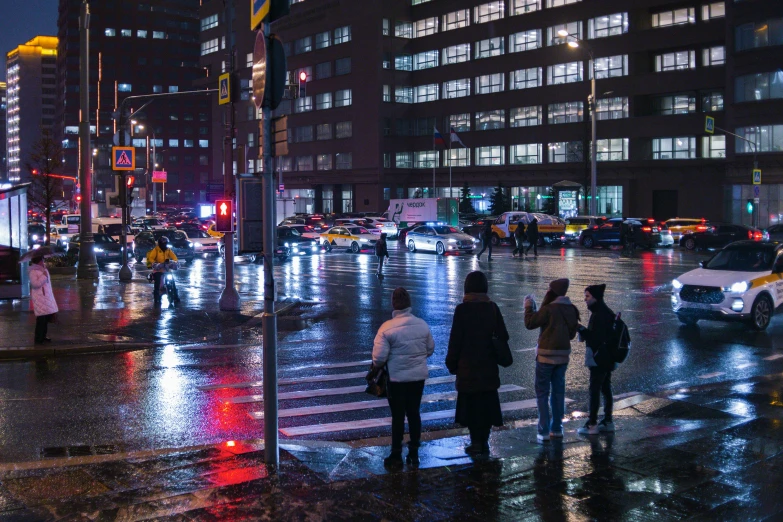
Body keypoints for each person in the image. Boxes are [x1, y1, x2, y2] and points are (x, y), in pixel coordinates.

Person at [446, 271, 509, 454]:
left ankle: (475, 443)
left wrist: (452, 363)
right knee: (487, 405)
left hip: (468, 369)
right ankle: (484, 442)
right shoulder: (492, 308)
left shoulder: (462, 310)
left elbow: (455, 340)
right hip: (488, 367)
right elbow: (503, 336)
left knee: (472, 408)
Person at [372, 287, 435, 468]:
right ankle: (414, 452)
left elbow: (379, 359)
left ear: (394, 305)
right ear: (409, 304)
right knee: (414, 413)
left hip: (396, 380)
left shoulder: (386, 328)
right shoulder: (422, 325)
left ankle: (396, 453)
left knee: (398, 415)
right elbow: (429, 349)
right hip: (417, 378)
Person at [524, 278, 580, 443]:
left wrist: (529, 306)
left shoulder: (549, 309)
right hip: (563, 357)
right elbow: (571, 334)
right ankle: (557, 428)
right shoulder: (572, 309)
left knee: (542, 393)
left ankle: (544, 430)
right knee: (558, 392)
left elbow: (530, 323)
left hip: (545, 356)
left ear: (552, 291)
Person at [577, 284, 617, 435]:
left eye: (587, 296)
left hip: (600, 358)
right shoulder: (605, 312)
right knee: (605, 388)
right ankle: (607, 420)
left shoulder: (599, 315)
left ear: (596, 298)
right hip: (608, 358)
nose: (585, 299)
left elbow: (595, 339)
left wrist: (580, 328)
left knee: (595, 389)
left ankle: (592, 423)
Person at [28, 256, 58, 344]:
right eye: (42, 260)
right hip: (40, 298)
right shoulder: (33, 271)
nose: (43, 261)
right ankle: (38, 339)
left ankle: (43, 336)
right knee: (41, 320)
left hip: (46, 297)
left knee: (45, 319)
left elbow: (48, 285)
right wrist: (44, 276)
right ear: (38, 261)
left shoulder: (43, 270)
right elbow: (35, 284)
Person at [146, 236, 178, 303]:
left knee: (173, 282)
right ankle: (156, 297)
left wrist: (175, 261)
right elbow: (151, 258)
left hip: (167, 269)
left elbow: (174, 256)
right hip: (158, 269)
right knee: (157, 282)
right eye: (163, 244)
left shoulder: (168, 250)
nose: (164, 245)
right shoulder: (156, 250)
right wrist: (155, 263)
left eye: (165, 243)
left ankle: (175, 296)